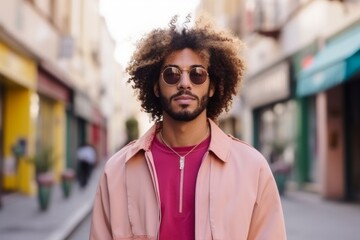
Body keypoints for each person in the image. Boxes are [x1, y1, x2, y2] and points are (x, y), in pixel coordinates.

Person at [90, 14, 286, 240]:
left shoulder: (253, 169)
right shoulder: (117, 171)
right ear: (155, 86)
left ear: (212, 87)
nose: (185, 83)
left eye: (197, 74)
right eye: (172, 74)